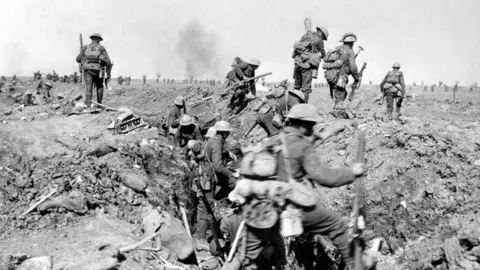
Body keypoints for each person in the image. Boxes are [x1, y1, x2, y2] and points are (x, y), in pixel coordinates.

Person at [241, 104, 368, 269]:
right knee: (336, 223)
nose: (313, 128)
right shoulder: (301, 146)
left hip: (264, 207)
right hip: (292, 207)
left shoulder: (274, 140)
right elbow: (324, 177)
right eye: (311, 124)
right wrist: (352, 172)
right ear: (302, 124)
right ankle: (354, 266)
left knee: (249, 259)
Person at [323, 33, 359, 110]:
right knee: (341, 96)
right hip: (341, 77)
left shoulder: (338, 48)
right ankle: (337, 114)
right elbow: (353, 68)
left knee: (338, 95)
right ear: (351, 43)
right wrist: (357, 77)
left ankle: (336, 111)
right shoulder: (350, 51)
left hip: (331, 75)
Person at [292, 26, 328, 103]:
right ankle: (303, 109)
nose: (323, 39)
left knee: (296, 87)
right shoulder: (319, 39)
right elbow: (322, 52)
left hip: (297, 63)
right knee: (306, 89)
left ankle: (293, 105)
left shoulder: (306, 35)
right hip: (306, 65)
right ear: (321, 33)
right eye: (323, 37)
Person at [76, 33, 111, 111]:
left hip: (88, 70)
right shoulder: (101, 48)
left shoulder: (85, 47)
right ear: (98, 40)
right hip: (99, 70)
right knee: (99, 86)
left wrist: (82, 57)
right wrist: (108, 73)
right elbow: (108, 61)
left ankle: (88, 107)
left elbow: (78, 59)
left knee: (89, 88)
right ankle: (99, 105)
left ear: (92, 39)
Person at [205, 121, 237, 199]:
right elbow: (218, 167)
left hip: (212, 171)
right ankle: (220, 200)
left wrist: (228, 152)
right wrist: (231, 174)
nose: (229, 134)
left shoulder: (216, 140)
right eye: (227, 132)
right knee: (235, 182)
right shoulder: (216, 143)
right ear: (223, 133)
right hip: (211, 174)